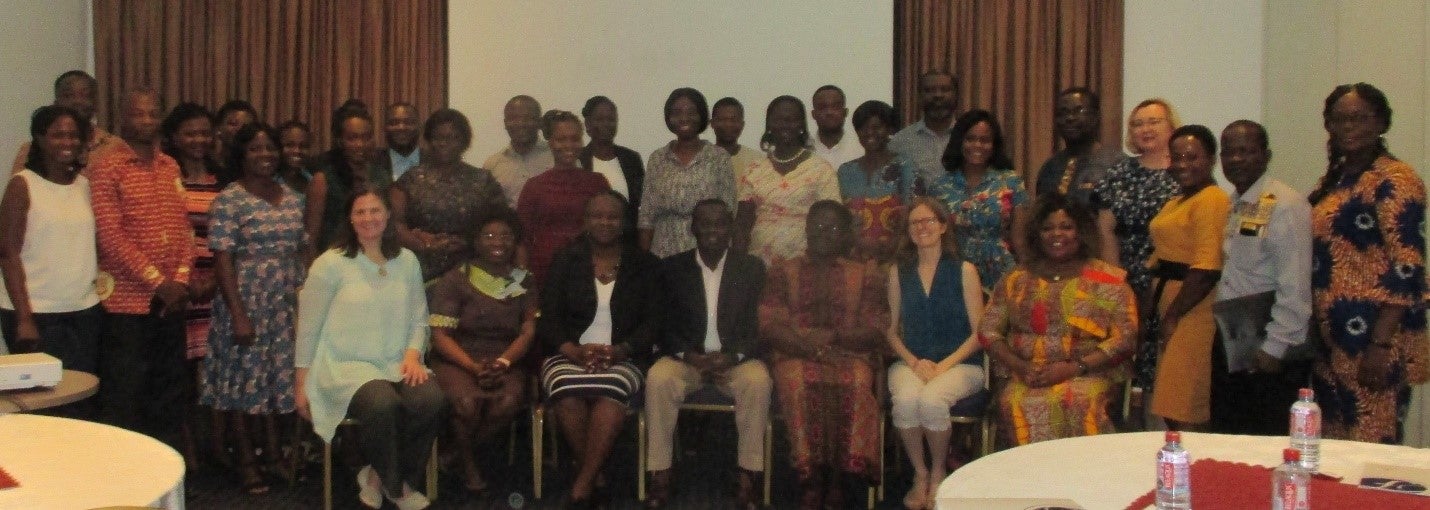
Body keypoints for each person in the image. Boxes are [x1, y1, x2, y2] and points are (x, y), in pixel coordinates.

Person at [296, 186, 444, 510]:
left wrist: (412, 355)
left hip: (397, 359)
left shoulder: (406, 261)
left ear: (388, 215)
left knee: (429, 398)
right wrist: (301, 383)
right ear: (349, 219)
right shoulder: (330, 264)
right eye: (359, 212)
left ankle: (377, 477)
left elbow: (419, 319)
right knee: (381, 404)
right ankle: (399, 488)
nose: (368, 218)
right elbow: (307, 328)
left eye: (375, 210)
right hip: (345, 365)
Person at [1308, 83, 1427, 444]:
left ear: (1382, 123)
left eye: (1359, 118)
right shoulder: (1337, 180)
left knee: (1373, 444)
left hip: (1374, 337)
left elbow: (1408, 265)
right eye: (1338, 119)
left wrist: (1380, 344)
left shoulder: (1396, 178)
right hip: (1332, 339)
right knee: (1335, 450)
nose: (1348, 127)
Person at [979, 195, 1137, 445]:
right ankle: (1031, 482)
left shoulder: (1108, 280)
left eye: (1066, 226)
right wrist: (1020, 366)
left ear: (1081, 232)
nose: (1057, 234)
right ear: (1037, 235)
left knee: (1080, 402)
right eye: (1047, 228)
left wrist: (1074, 368)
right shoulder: (1016, 279)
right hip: (1026, 374)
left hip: (1089, 374)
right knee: (1014, 404)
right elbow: (988, 331)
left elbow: (1126, 339)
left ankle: (1084, 482)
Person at [760, 200, 887, 510]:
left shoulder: (865, 274)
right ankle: (811, 479)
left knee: (857, 383)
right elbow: (769, 324)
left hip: (849, 351)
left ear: (845, 234)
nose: (822, 233)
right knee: (796, 382)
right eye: (816, 226)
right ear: (805, 229)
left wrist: (833, 338)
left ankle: (840, 480)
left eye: (832, 228)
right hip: (795, 352)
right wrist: (810, 349)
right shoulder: (783, 270)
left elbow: (875, 329)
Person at [644, 199, 770, 510]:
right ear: (692, 228)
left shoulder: (751, 267)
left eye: (721, 224)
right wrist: (687, 354)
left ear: (730, 229)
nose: (713, 230)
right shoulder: (671, 268)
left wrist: (735, 355)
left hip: (734, 360)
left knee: (758, 381)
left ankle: (748, 475)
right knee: (659, 378)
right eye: (705, 223)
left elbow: (760, 325)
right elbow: (661, 322)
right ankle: (661, 472)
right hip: (687, 359)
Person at [202, 123, 306, 494]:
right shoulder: (230, 199)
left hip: (284, 301)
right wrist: (239, 314)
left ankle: (275, 455)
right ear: (241, 156)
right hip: (244, 300)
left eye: (270, 149)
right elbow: (223, 259)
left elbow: (299, 251)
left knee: (276, 382)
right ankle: (247, 460)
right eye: (255, 150)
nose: (265, 156)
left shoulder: (293, 197)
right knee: (243, 383)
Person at [538, 191, 660, 507]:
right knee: (566, 392)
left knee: (611, 394)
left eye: (613, 216)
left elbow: (654, 321)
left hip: (624, 355)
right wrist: (571, 350)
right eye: (597, 215)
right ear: (585, 220)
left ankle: (582, 485)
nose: (604, 222)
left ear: (624, 223)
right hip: (569, 353)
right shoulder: (566, 259)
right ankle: (597, 476)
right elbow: (548, 317)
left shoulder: (644, 263)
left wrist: (622, 349)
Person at [91, 89, 194, 445]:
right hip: (127, 303)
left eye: (153, 113)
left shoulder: (171, 166)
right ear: (123, 118)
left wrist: (178, 281)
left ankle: (166, 478)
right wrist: (157, 282)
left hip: (171, 300)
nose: (147, 121)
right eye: (139, 114)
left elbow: (184, 228)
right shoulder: (106, 167)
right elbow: (110, 236)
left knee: (167, 393)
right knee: (125, 395)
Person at [1209, 120, 1313, 435]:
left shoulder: (1283, 203)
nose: (1236, 160)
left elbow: (1294, 283)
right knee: (1230, 436)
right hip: (1234, 337)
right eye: (1228, 152)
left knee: (1264, 438)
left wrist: (1275, 346)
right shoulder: (1238, 204)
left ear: (1266, 156)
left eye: (1246, 151)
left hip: (1267, 343)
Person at [428, 208, 536, 494]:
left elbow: (528, 332)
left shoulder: (524, 280)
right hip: (458, 356)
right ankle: (469, 464)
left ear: (515, 241)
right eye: (488, 235)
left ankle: (454, 453)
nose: (497, 241)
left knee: (508, 402)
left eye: (505, 236)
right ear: (475, 241)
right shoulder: (456, 278)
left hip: (506, 357)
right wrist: (473, 367)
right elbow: (440, 336)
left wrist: (503, 362)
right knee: (466, 404)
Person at [885, 197, 983, 510]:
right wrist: (914, 362)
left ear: (943, 226)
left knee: (931, 400)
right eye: (915, 222)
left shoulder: (964, 270)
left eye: (929, 221)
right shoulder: (898, 272)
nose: (922, 227)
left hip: (961, 364)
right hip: (911, 362)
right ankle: (920, 473)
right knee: (906, 400)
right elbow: (889, 330)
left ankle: (940, 470)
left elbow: (980, 334)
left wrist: (943, 367)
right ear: (908, 231)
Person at [0, 105, 102, 398]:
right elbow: (8, 254)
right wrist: (24, 318)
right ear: (40, 139)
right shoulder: (23, 185)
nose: (67, 142)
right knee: (40, 401)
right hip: (36, 314)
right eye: (58, 135)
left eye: (73, 136)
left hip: (84, 312)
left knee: (81, 396)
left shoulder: (86, 186)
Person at [1093, 99, 1182, 399]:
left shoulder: (1186, 172)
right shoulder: (1119, 173)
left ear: (1171, 126)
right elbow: (1105, 231)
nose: (1145, 129)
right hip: (1128, 275)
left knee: (1170, 359)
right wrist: (1118, 281)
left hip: (1174, 278)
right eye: (1137, 123)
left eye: (1154, 121)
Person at [1146, 125, 1232, 431]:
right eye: (1177, 157)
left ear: (1211, 159)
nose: (1182, 164)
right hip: (1173, 305)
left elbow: (1207, 267)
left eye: (1192, 157)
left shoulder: (1211, 199)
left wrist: (1172, 316)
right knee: (1173, 402)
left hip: (1195, 311)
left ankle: (1199, 469)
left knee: (1184, 406)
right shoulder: (1178, 200)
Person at [390, 108, 507, 281]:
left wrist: (469, 243)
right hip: (419, 269)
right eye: (438, 138)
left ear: (465, 142)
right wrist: (424, 245)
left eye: (452, 138)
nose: (444, 143)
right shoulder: (410, 178)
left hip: (473, 270)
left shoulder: (483, 180)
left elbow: (501, 224)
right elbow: (395, 223)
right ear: (429, 140)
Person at [735, 96, 841, 266]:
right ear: (769, 125)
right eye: (779, 119)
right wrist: (739, 266)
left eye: (792, 120)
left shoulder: (821, 169)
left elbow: (831, 221)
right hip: (759, 264)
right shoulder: (753, 169)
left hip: (806, 265)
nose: (785, 124)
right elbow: (742, 225)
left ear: (802, 125)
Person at [931, 109, 1029, 291]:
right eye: (970, 139)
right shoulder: (939, 187)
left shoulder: (1011, 181)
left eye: (984, 140)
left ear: (994, 144)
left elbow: (1020, 239)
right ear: (959, 141)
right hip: (954, 273)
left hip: (1001, 272)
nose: (977, 145)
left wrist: (1028, 278)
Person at [161, 102, 227, 364]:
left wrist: (214, 280)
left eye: (205, 133)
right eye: (190, 133)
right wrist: (182, 281)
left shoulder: (224, 179)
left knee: (212, 362)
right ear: (174, 137)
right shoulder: (164, 176)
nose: (199, 140)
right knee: (176, 366)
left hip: (217, 283)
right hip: (174, 285)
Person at [516, 110, 611, 290]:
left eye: (575, 139)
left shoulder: (598, 182)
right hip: (544, 272)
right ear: (550, 143)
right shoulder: (534, 186)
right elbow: (522, 239)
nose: (569, 145)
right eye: (561, 139)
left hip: (588, 271)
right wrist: (523, 282)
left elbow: (609, 230)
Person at [638, 88, 736, 258]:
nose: (684, 118)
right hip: (663, 254)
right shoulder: (658, 158)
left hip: (707, 254)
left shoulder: (719, 157)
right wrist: (643, 262)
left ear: (702, 116)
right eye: (677, 113)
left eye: (691, 112)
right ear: (669, 118)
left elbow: (728, 212)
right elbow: (646, 216)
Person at [1032, 88, 1124, 266]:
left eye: (1079, 111)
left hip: (1103, 267)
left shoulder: (1117, 164)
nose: (1070, 118)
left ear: (1096, 117)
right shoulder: (1049, 168)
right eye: (1063, 113)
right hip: (1056, 268)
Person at [837, 100, 919, 263]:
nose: (869, 133)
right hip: (854, 260)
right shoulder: (845, 171)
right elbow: (840, 220)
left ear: (889, 129)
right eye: (863, 128)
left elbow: (914, 214)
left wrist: (891, 249)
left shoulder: (905, 166)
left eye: (877, 127)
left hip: (895, 257)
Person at [306, 105, 391, 254]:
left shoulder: (382, 176)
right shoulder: (323, 179)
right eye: (352, 138)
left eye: (366, 137)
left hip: (375, 259)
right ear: (340, 141)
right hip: (334, 262)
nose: (360, 144)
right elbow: (311, 237)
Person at [11, 70, 122, 175]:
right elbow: (18, 190)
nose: (77, 101)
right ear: (55, 103)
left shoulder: (114, 147)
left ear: (96, 103)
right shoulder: (33, 149)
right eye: (68, 95)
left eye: (86, 95)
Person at [579, 95, 645, 222]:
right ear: (588, 124)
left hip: (627, 239)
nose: (606, 124)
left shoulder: (631, 159)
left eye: (611, 119)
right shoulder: (578, 159)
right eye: (599, 119)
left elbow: (640, 203)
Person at [890, 71, 959, 186]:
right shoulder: (900, 142)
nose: (938, 95)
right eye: (929, 90)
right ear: (919, 97)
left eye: (945, 89)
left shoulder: (970, 138)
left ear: (956, 95)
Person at [484, 95, 553, 206]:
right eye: (513, 119)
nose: (521, 124)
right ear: (505, 123)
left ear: (540, 122)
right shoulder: (492, 165)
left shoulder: (557, 157)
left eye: (528, 118)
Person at [810, 85, 863, 169]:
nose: (829, 112)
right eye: (822, 107)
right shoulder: (804, 150)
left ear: (845, 112)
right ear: (813, 114)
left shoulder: (861, 149)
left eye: (835, 107)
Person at [711, 97, 763, 178]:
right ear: (712, 123)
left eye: (734, 120)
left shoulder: (757, 161)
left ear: (742, 125)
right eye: (722, 120)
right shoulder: (701, 160)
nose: (728, 124)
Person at [379, 102, 422, 180]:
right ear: (384, 128)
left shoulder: (435, 162)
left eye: (408, 122)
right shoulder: (372, 163)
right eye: (394, 123)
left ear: (419, 127)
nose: (401, 127)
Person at [276, 120, 313, 195]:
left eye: (303, 146)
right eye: (289, 145)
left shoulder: (312, 182)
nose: (297, 151)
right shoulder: (268, 182)